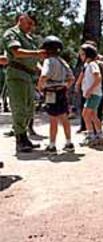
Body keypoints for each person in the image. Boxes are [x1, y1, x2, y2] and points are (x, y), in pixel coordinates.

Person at [2, 12, 46, 152]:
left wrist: (42, 71)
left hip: (28, 77)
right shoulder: (12, 33)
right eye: (29, 23)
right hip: (17, 75)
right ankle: (20, 140)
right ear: (21, 20)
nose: (31, 27)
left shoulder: (28, 38)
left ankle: (25, 137)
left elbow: (33, 60)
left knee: (29, 109)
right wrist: (37, 54)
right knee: (19, 108)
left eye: (32, 25)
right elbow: (16, 52)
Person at [37, 36, 75, 154]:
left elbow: (44, 76)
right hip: (61, 91)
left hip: (51, 92)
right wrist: (64, 86)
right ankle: (69, 143)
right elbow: (71, 78)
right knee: (64, 118)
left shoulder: (48, 61)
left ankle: (52, 145)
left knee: (53, 119)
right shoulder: (62, 62)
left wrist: (40, 87)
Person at [78, 43, 103, 146]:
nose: (81, 57)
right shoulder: (87, 65)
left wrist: (89, 90)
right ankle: (99, 135)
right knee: (93, 115)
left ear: (87, 55)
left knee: (85, 114)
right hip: (94, 94)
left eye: (82, 54)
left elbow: (98, 78)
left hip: (93, 94)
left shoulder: (93, 64)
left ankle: (90, 135)